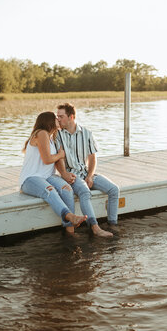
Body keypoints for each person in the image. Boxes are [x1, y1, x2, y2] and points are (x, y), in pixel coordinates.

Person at [55, 102, 119, 238]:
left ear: (71, 117)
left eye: (61, 116)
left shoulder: (87, 133)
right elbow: (58, 160)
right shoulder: (57, 135)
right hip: (71, 176)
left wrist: (90, 176)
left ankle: (113, 225)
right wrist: (64, 174)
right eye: (57, 116)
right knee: (84, 191)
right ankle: (94, 227)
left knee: (114, 190)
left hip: (85, 172)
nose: (58, 119)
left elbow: (92, 158)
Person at [19, 111, 87, 234]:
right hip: (30, 179)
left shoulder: (52, 137)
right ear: (49, 121)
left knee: (67, 189)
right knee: (50, 190)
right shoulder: (42, 133)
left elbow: (56, 159)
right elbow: (47, 159)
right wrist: (60, 154)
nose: (59, 120)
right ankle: (70, 217)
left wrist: (64, 172)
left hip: (48, 176)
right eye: (56, 119)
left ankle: (70, 230)